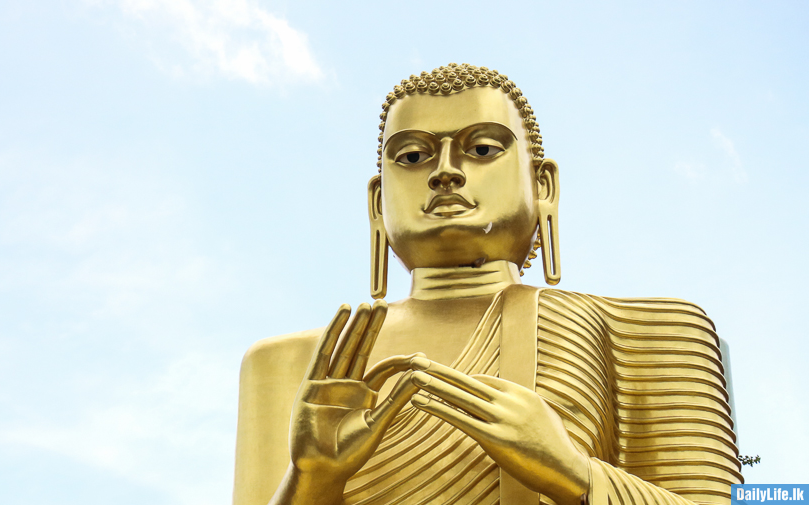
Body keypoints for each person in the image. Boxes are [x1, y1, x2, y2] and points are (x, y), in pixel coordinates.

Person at [232, 63, 742, 505]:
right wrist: (311, 481)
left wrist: (572, 473)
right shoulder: (299, 363)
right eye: (411, 156)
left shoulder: (648, 331)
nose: (445, 173)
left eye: (480, 148)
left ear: (542, 185)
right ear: (377, 201)